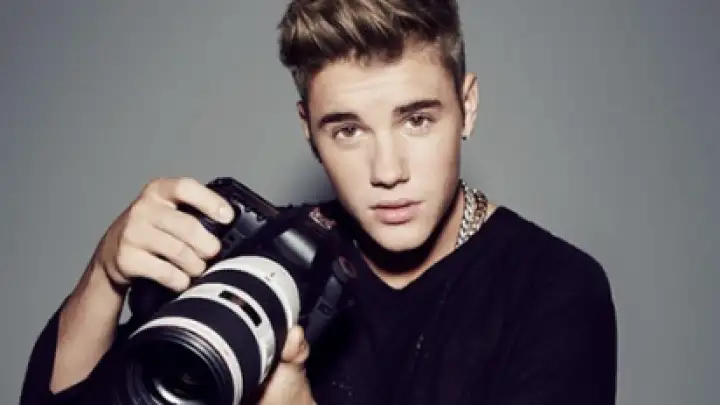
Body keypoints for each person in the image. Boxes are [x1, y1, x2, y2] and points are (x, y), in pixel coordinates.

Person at [19, 0, 618, 404]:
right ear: (309, 130)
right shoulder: (268, 265)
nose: (388, 172)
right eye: (348, 130)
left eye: (416, 120)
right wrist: (105, 275)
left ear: (468, 108)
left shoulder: (554, 288)